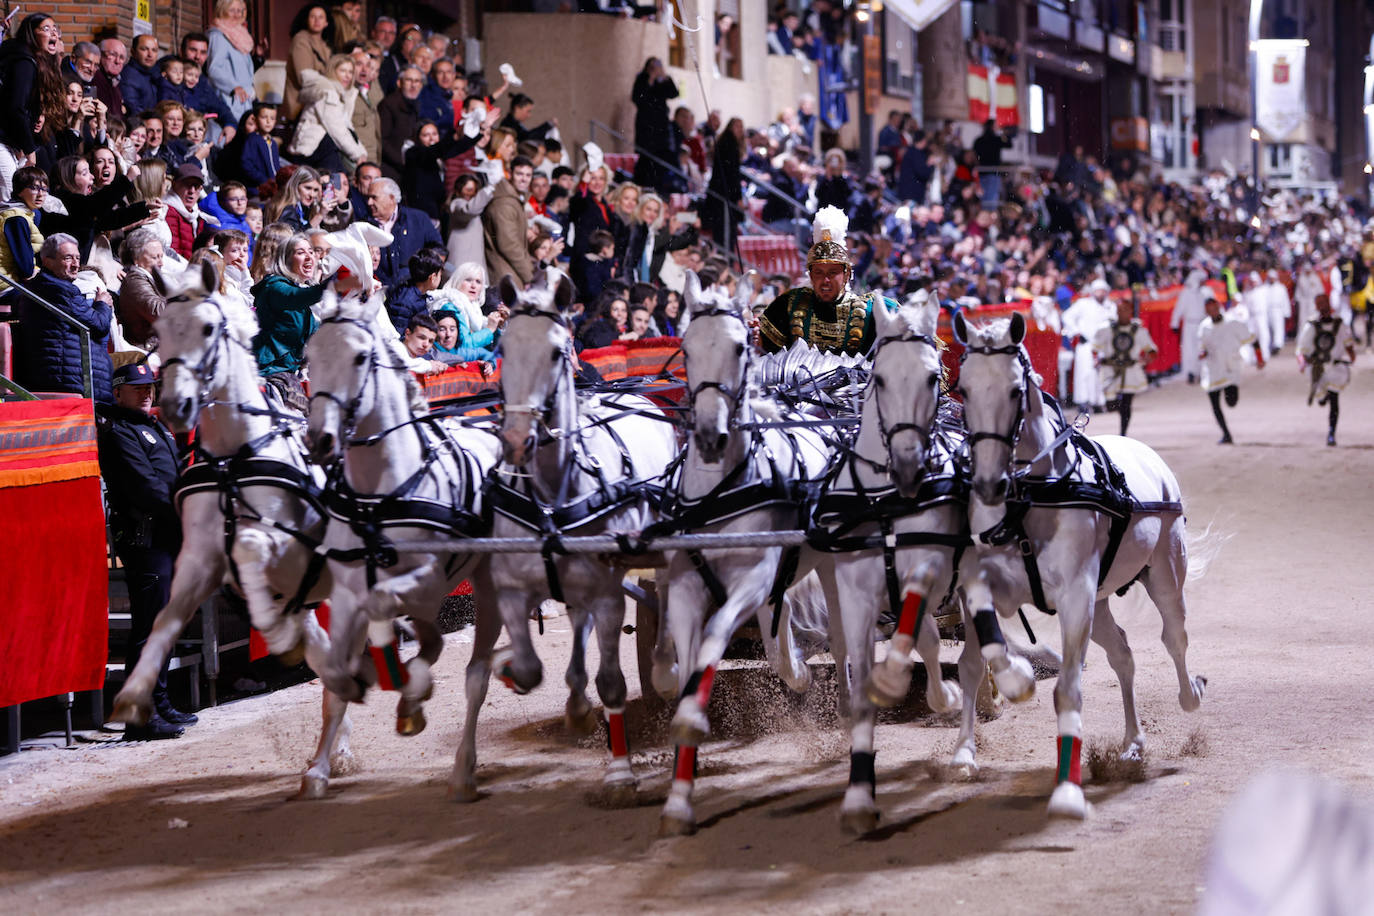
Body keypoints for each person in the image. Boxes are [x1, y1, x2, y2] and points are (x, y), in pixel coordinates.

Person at [97, 362, 194, 740]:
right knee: (148, 630)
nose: (146, 393)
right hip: (146, 539)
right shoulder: (119, 432)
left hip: (168, 538)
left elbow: (174, 477)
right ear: (118, 392)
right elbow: (146, 488)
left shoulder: (154, 428)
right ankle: (138, 718)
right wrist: (188, 510)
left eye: (149, 387)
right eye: (136, 388)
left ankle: (160, 702)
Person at [757, 206, 894, 356]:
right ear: (810, 275)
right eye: (818, 272)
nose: (825, 280)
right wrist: (752, 334)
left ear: (847, 274)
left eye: (833, 272)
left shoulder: (868, 312)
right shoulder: (789, 304)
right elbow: (760, 349)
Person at [13, 234, 115, 402]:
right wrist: (102, 304)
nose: (75, 265)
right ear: (47, 261)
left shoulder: (45, 286)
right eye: (68, 258)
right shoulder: (58, 290)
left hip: (65, 373)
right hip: (69, 378)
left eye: (77, 258)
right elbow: (99, 325)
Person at [0, 14, 65, 202]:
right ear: (31, 34)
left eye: (55, 28)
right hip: (3, 141)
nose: (53, 32)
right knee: (10, 200)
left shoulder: (32, 62)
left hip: (10, 142)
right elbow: (15, 108)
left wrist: (37, 113)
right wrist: (29, 149)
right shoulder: (24, 62)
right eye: (45, 29)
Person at [1197, 295, 1262, 445]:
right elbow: (1202, 347)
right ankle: (1226, 433)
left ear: (1219, 307)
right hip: (1212, 369)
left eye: (1214, 308)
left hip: (1230, 368)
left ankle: (1231, 396)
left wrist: (1260, 358)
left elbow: (1253, 340)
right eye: (1209, 309)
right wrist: (1203, 353)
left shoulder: (1233, 323)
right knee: (1214, 403)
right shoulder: (1204, 327)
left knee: (1231, 401)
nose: (1212, 311)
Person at [287, 54, 368, 173]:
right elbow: (336, 127)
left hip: (324, 146)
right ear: (333, 71)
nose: (347, 76)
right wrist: (357, 154)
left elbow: (347, 126)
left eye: (350, 72)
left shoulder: (342, 93)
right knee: (337, 180)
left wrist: (361, 152)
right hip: (313, 148)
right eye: (343, 71)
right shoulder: (327, 91)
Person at [1296, 293, 1356, 447]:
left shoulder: (1339, 323)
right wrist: (1302, 362)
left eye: (1324, 302)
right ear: (1316, 306)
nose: (1322, 305)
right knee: (1322, 400)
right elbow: (1301, 348)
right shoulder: (1311, 325)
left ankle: (1331, 433)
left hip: (1336, 369)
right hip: (1318, 369)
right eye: (1319, 303)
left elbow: (1348, 343)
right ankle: (1324, 397)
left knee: (1334, 401)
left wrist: (1351, 354)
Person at [1092, 296, 1157, 436]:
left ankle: (1123, 433)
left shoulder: (1138, 331)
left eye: (1126, 310)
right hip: (1111, 370)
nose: (1123, 313)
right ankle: (1121, 416)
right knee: (1111, 405)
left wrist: (1148, 357)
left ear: (1131, 312)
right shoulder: (1106, 329)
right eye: (1120, 310)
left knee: (1127, 403)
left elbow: (1151, 350)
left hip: (1130, 371)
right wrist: (1096, 358)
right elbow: (1095, 347)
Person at [366, 176, 441, 288]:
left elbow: (439, 249)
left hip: (412, 290)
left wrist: (421, 271)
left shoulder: (418, 219)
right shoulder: (364, 225)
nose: (369, 202)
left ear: (391, 198)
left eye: (374, 197)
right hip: (377, 290)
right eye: (368, 197)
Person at [482, 154, 535, 287]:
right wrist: (529, 276)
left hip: (511, 272)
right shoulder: (504, 203)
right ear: (510, 173)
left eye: (528, 175)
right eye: (520, 174)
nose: (524, 179)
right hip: (506, 274)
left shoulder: (514, 199)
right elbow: (509, 245)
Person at [1062, 277, 1113, 410]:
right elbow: (1067, 316)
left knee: (1101, 374)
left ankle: (1099, 402)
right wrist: (1076, 332)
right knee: (1085, 373)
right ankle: (1083, 402)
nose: (1100, 294)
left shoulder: (1110, 306)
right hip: (1086, 344)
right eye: (1098, 291)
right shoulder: (1083, 304)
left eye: (1102, 291)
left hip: (1102, 345)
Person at [207, 0, 260, 123]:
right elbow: (214, 69)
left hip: (244, 102)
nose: (237, 15)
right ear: (222, 10)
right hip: (228, 100)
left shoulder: (240, 37)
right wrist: (233, 87)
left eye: (239, 11)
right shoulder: (218, 36)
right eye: (232, 10)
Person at [631, 57, 678, 193]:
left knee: (660, 163)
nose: (655, 69)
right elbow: (637, 99)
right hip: (646, 129)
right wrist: (649, 79)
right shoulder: (642, 80)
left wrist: (664, 76)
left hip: (660, 129)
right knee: (646, 162)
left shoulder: (661, 81)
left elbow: (674, 93)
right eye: (652, 67)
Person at [284, 5, 333, 120]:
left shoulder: (325, 45)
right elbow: (304, 78)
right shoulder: (301, 40)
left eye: (321, 17)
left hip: (319, 100)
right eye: (313, 17)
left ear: (326, 23)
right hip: (301, 105)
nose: (317, 21)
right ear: (307, 20)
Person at [385, 247, 445, 335]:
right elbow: (396, 334)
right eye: (440, 275)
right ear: (432, 277)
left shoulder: (419, 294)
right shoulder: (405, 301)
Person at [164, 164, 218, 259]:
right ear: (174, 184)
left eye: (196, 186)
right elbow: (173, 253)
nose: (192, 191)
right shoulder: (167, 211)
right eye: (187, 185)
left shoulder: (197, 213)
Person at [378, 66, 423, 180]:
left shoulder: (417, 105)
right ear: (399, 83)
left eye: (417, 81)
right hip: (392, 168)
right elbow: (383, 140)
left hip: (410, 166)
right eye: (409, 80)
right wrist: (403, 161)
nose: (413, 85)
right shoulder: (388, 104)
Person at [1171, 267, 1211, 384]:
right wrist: (1175, 322)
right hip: (1189, 325)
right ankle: (1190, 373)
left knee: (1202, 349)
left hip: (1203, 324)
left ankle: (1202, 373)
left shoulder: (1206, 292)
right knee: (1189, 350)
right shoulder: (1186, 293)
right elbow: (1179, 308)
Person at [240, 102, 282, 189]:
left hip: (273, 186)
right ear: (255, 120)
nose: (268, 121)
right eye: (264, 117)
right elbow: (246, 164)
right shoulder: (252, 139)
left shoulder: (272, 142)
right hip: (258, 187)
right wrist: (263, 180)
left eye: (272, 118)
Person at [94, 39, 128, 118]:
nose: (117, 61)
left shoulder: (115, 83)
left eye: (122, 57)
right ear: (99, 55)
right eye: (113, 55)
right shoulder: (94, 80)